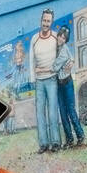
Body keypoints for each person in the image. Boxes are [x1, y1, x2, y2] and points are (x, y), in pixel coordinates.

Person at [29, 8, 61, 152]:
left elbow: (62, 56)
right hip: (39, 82)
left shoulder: (55, 37)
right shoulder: (35, 39)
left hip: (52, 80)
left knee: (53, 111)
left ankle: (55, 142)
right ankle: (43, 144)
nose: (46, 23)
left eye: (48, 21)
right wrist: (32, 77)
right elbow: (31, 60)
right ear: (41, 21)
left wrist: (55, 69)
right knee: (40, 113)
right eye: (44, 20)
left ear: (51, 22)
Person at [54, 25, 86, 148]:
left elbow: (55, 67)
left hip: (67, 83)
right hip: (58, 84)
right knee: (62, 112)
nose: (61, 39)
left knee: (71, 110)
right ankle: (69, 139)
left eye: (64, 38)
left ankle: (81, 136)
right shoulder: (54, 48)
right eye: (60, 36)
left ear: (66, 40)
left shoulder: (64, 49)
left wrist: (71, 62)